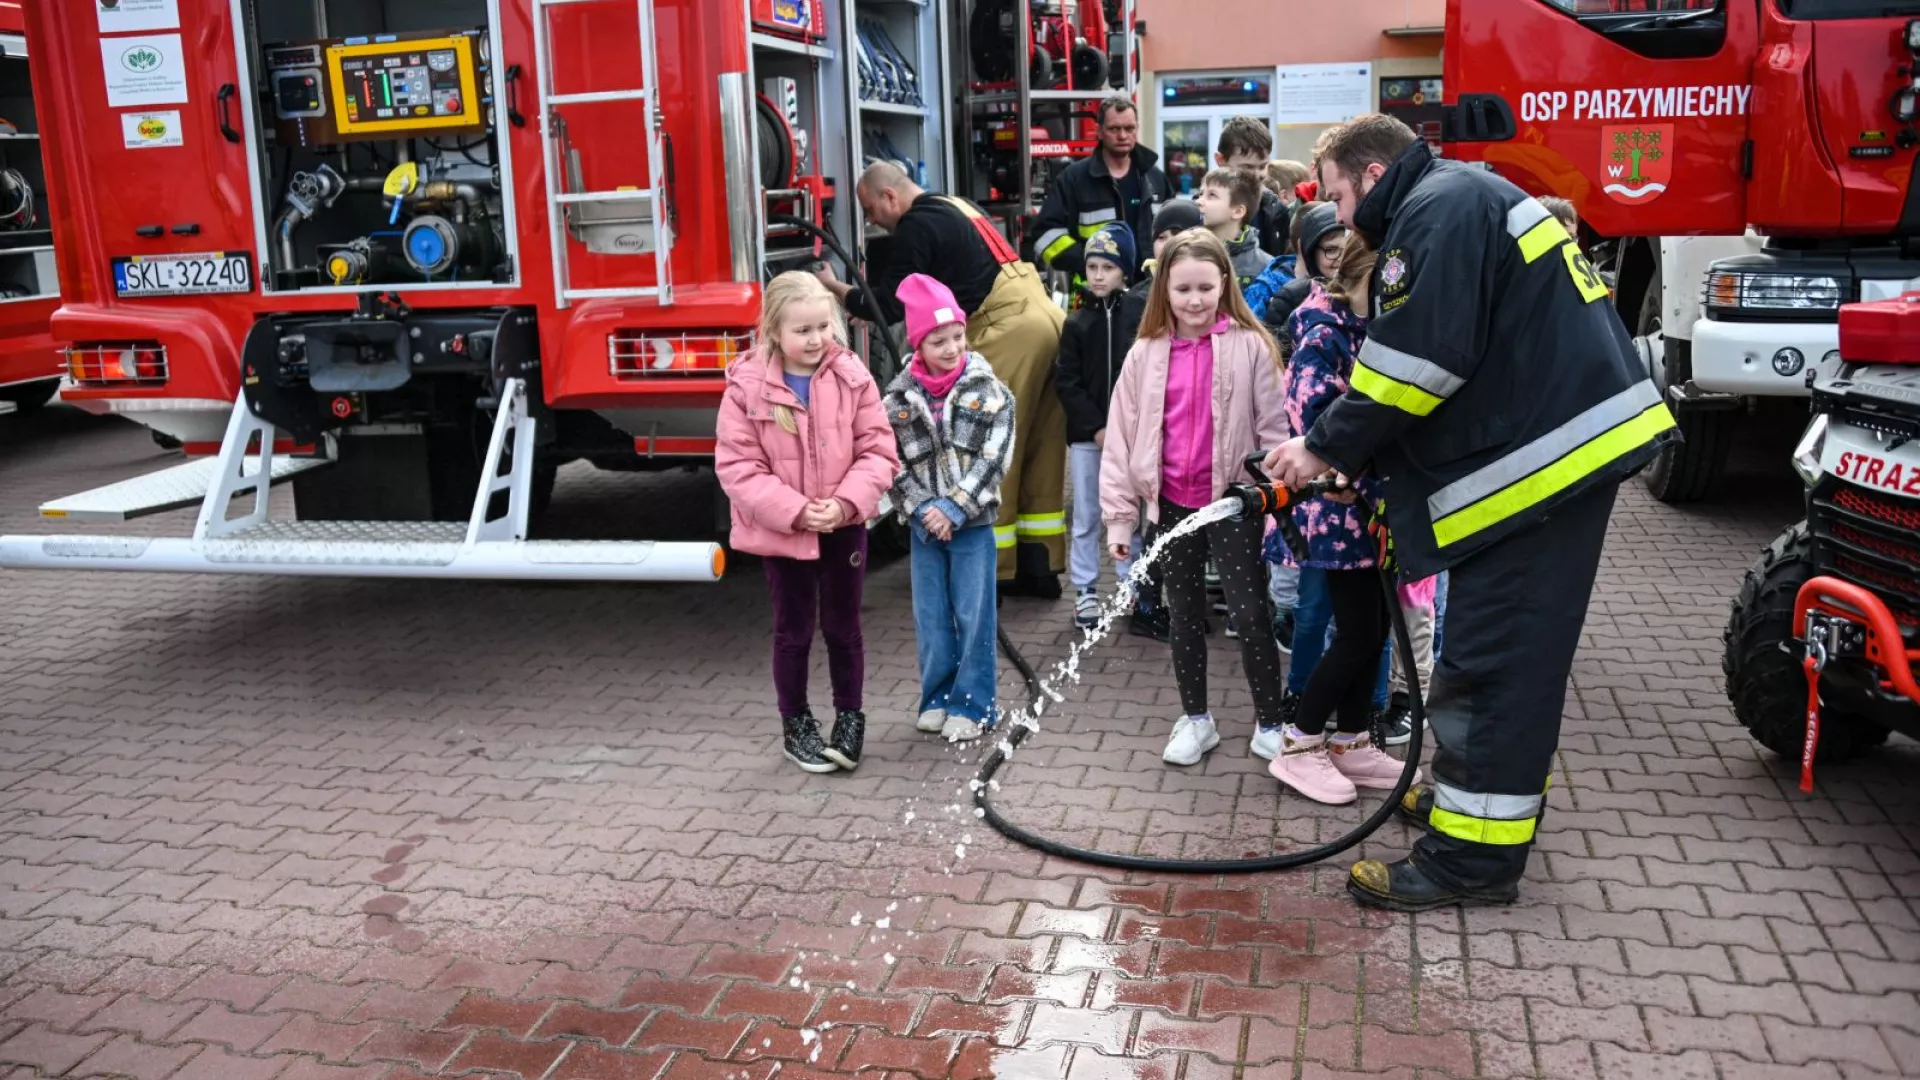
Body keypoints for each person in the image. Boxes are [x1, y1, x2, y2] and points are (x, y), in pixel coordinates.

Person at [1264, 114, 1679, 911]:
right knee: (1482, 656)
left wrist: (1325, 448)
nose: (1341, 218)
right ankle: (1465, 797)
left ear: (1375, 175)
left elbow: (1415, 363)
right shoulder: (1458, 196)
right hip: (1544, 459)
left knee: (1496, 664)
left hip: (1543, 472)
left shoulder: (1437, 211)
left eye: (1343, 197)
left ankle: (1471, 861)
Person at [817, 162, 1067, 596]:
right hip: (1046, 318)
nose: (871, 220)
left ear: (890, 198)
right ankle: (1040, 565)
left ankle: (992, 574)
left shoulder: (916, 225)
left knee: (987, 450)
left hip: (1009, 330)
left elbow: (888, 306)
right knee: (1040, 448)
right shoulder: (955, 203)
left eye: (870, 208)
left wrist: (835, 288)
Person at [1100, 230, 1289, 767]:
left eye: (1206, 287)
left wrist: (1271, 503)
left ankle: (1270, 722)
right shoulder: (1145, 353)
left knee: (1252, 613)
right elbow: (1121, 437)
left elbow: (1274, 430)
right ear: (1165, 290)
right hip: (1170, 506)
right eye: (1183, 289)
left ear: (1225, 284)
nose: (1195, 300)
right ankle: (1197, 720)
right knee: (1181, 614)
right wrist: (1120, 521)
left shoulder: (1251, 347)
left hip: (1231, 502)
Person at [714, 272, 901, 774]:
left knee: (844, 627)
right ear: (774, 331)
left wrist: (844, 505)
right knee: (793, 631)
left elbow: (878, 450)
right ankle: (795, 723)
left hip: (844, 525)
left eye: (823, 326)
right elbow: (738, 467)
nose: (816, 339)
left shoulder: (852, 375)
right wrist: (797, 512)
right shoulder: (745, 388)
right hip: (784, 533)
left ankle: (850, 717)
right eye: (802, 330)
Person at [1266, 232, 1409, 801]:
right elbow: (1314, 417)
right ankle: (1299, 743)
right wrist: (1352, 468)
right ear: (1355, 279)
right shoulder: (1324, 333)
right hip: (1337, 509)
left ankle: (1351, 741)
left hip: (1372, 505)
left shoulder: (1371, 329)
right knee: (1353, 633)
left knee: (1373, 632)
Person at [884, 274, 1018, 745]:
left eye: (957, 337)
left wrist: (955, 508)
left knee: (973, 614)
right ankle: (937, 697)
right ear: (918, 343)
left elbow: (995, 457)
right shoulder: (897, 399)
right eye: (938, 340)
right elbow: (888, 462)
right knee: (932, 616)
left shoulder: (990, 390)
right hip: (924, 529)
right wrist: (924, 509)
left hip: (973, 525)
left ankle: (974, 704)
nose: (951, 348)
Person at [1114, 199, 1205, 642]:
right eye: (1162, 235)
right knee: (1153, 536)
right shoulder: (1137, 299)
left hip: (1194, 457)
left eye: (1178, 234)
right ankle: (1146, 605)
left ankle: (1182, 605)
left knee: (1183, 543)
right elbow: (1127, 370)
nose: (1168, 243)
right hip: (1152, 447)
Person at [1055, 222, 1144, 630]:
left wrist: (1129, 428)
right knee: (1088, 515)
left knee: (1131, 511)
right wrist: (1095, 428)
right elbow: (1067, 383)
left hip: (1131, 438)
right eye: (1091, 266)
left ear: (1124, 270)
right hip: (1089, 441)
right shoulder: (1076, 324)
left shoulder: (1139, 319)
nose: (1097, 275)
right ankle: (1087, 591)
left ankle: (1132, 584)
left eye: (1107, 266)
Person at [1032, 94, 1173, 285]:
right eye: (1114, 129)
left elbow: (1176, 232)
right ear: (1099, 131)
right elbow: (1045, 236)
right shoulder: (1074, 179)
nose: (1122, 135)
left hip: (1150, 292)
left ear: (1136, 129)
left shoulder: (1154, 177)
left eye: (1129, 128)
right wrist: (1091, 261)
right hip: (1096, 294)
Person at [1213, 116, 1291, 259]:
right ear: (1221, 160)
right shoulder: (1201, 211)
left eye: (1262, 166)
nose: (1256, 175)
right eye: (1247, 167)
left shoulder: (1276, 211)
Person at [1196, 167, 1271, 293]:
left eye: (1212, 195)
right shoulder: (1187, 253)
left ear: (1237, 211)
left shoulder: (1265, 267)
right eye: (1201, 193)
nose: (1199, 201)